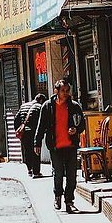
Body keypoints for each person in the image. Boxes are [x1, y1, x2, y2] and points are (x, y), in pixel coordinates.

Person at [34, 78, 85, 213]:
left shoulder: (74, 106)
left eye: (67, 90)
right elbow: (41, 126)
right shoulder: (47, 106)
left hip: (71, 146)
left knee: (72, 175)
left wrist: (76, 129)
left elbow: (82, 124)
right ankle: (58, 195)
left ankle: (69, 201)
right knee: (58, 173)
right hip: (55, 146)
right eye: (63, 90)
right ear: (56, 91)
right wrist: (37, 142)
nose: (66, 93)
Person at [15, 93, 46, 178]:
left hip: (24, 132)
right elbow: (42, 121)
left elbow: (16, 119)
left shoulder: (23, 106)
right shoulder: (39, 106)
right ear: (41, 100)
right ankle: (36, 172)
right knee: (36, 150)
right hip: (33, 131)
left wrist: (19, 130)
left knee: (27, 151)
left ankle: (29, 170)